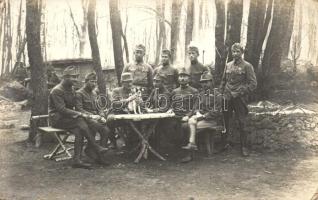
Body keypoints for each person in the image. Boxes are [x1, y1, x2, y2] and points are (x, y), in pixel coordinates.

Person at [49, 66, 108, 169]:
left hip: (69, 119)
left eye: (76, 77)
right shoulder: (57, 90)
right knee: (81, 120)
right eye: (73, 77)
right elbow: (61, 109)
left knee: (79, 131)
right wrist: (81, 114)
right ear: (65, 77)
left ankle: (77, 160)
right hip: (57, 119)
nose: (76, 79)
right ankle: (95, 146)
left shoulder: (71, 88)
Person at [220, 43, 257, 157]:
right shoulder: (228, 65)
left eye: (237, 51)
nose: (235, 54)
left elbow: (253, 84)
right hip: (227, 97)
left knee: (242, 122)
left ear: (242, 53)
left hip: (239, 98)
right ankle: (224, 144)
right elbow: (223, 81)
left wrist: (240, 92)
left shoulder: (247, 66)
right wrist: (221, 93)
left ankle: (244, 147)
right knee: (225, 120)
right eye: (233, 52)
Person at [75, 73, 111, 165]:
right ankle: (94, 150)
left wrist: (102, 115)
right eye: (92, 81)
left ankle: (100, 156)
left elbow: (99, 107)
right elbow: (79, 109)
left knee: (106, 130)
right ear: (85, 82)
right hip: (85, 119)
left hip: (95, 119)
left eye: (95, 82)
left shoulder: (94, 93)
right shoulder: (79, 93)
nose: (94, 84)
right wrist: (93, 116)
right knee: (101, 127)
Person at [182, 73, 223, 152]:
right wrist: (189, 115)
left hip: (212, 120)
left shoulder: (217, 95)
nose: (204, 84)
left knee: (191, 124)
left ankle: (192, 145)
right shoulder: (201, 94)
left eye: (206, 82)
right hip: (201, 119)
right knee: (185, 124)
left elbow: (215, 112)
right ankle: (192, 145)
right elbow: (195, 108)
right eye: (202, 82)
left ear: (211, 82)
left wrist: (203, 116)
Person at [170, 68, 199, 162]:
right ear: (178, 78)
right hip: (176, 116)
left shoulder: (194, 91)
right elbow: (172, 104)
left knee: (185, 126)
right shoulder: (175, 91)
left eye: (184, 76)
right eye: (180, 76)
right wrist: (171, 110)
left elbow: (195, 106)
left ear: (189, 79)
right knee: (168, 125)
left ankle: (188, 154)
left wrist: (188, 115)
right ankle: (175, 152)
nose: (182, 78)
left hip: (187, 116)